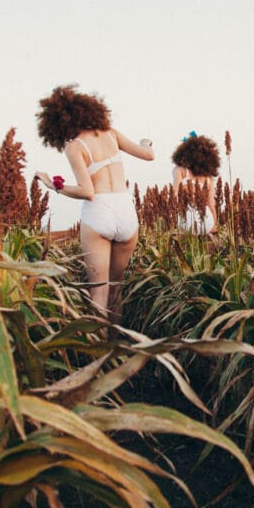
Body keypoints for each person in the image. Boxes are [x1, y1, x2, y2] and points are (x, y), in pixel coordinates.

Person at [34, 84, 154, 327]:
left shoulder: (75, 146)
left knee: (98, 293)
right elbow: (149, 155)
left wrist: (52, 185)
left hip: (99, 212)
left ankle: (99, 358)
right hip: (126, 212)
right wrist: (146, 142)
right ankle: (118, 347)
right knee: (115, 289)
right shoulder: (110, 132)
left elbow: (87, 191)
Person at [171, 131, 220, 239]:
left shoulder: (180, 170)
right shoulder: (208, 179)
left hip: (187, 219)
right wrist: (213, 225)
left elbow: (174, 195)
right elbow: (212, 205)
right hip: (206, 220)